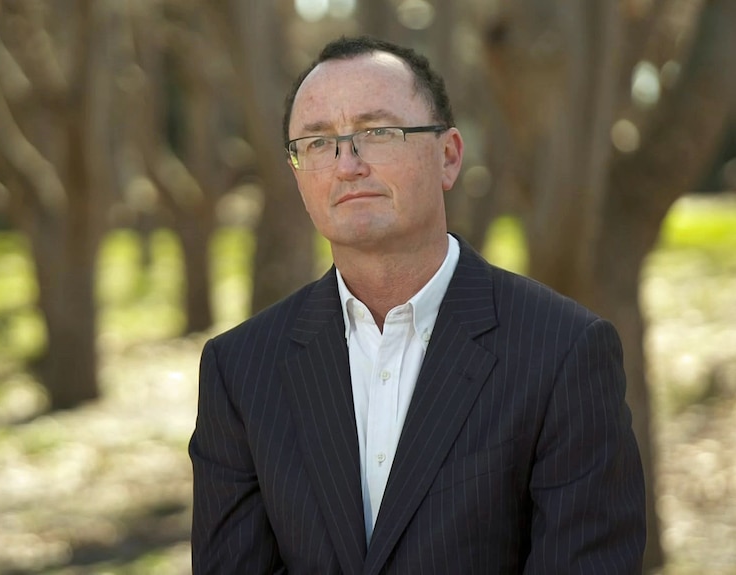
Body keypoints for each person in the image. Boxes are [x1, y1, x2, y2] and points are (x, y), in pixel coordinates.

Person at [189, 35, 646, 574]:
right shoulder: (240, 369)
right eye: (317, 143)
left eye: (377, 133)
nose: (346, 164)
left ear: (448, 157)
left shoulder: (564, 351)